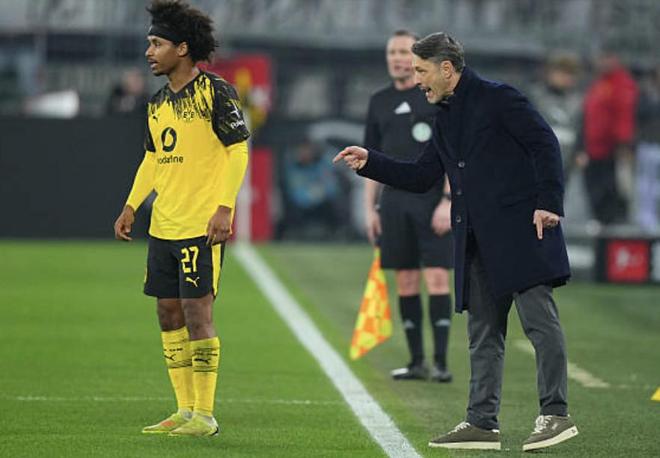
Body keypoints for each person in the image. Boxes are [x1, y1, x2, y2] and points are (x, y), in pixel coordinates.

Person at [334, 32, 578, 452]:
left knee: (540, 325)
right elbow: (421, 175)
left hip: (523, 231)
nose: (417, 80)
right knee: (483, 334)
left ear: (446, 69)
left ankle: (555, 414)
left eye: (421, 71)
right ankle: (482, 422)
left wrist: (548, 203)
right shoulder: (445, 116)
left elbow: (545, 143)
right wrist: (371, 162)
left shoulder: (499, 98)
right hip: (476, 241)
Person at [113, 0, 250, 437]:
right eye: (149, 43)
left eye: (157, 43)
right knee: (167, 313)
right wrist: (131, 205)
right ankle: (184, 409)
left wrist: (224, 207)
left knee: (197, 313)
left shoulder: (215, 92)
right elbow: (153, 158)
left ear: (183, 48)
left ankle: (205, 415)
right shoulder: (156, 103)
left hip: (200, 225)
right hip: (164, 226)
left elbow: (238, 150)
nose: (149, 52)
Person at [363, 30, 453, 382]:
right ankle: (417, 362)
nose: (397, 58)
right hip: (395, 202)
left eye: (404, 52)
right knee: (406, 280)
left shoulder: (434, 96)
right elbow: (370, 159)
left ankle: (441, 363)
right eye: (392, 52)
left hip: (433, 200)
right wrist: (370, 209)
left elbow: (453, 153)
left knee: (437, 277)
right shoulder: (379, 101)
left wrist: (447, 200)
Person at [575, 48, 638, 225]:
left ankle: (614, 229)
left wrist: (623, 145)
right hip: (593, 149)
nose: (602, 62)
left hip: (611, 151)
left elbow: (624, 116)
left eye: (607, 58)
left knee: (613, 192)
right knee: (595, 193)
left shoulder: (621, 83)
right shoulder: (599, 83)